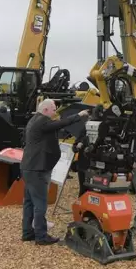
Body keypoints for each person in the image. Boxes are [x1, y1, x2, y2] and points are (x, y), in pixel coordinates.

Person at [21, 100, 89, 245]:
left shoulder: (34, 120)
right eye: (53, 109)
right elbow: (60, 124)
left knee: (29, 202)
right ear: (45, 110)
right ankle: (41, 236)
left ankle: (27, 232)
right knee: (40, 204)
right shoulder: (42, 121)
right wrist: (78, 115)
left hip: (29, 167)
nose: (55, 112)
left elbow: (54, 129)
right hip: (37, 168)